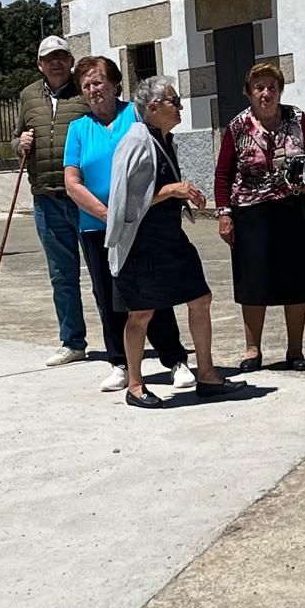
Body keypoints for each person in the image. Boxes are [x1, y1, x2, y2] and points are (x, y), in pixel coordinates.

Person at [63, 56, 196, 392]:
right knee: (109, 295)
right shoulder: (79, 128)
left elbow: (161, 153)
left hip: (144, 224)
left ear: (115, 84)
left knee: (155, 290)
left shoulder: (135, 115)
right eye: (87, 85)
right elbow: (72, 182)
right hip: (97, 226)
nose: (94, 90)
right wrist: (109, 216)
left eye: (99, 82)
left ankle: (175, 359)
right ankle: (119, 362)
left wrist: (126, 215)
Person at [108, 76, 237, 408]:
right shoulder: (135, 141)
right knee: (141, 313)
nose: (180, 106)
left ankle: (206, 374)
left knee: (200, 298)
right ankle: (135, 385)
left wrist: (181, 191)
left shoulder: (164, 139)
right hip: (141, 243)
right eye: (173, 101)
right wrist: (173, 190)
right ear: (153, 108)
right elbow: (126, 200)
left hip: (170, 239)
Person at [213, 62, 305, 372]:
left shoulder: (297, 119)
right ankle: (253, 349)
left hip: (295, 209)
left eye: (272, 87)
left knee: (297, 280)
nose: (266, 93)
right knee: (253, 282)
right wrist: (224, 214)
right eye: (259, 87)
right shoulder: (238, 126)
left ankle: (295, 351)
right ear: (249, 92)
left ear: (280, 91)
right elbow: (223, 173)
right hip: (250, 212)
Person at [14, 35, 90, 368]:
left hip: (86, 197)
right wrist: (20, 143)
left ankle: (119, 340)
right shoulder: (28, 95)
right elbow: (15, 138)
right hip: (46, 199)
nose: (56, 62)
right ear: (39, 64)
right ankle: (73, 342)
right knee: (62, 275)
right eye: (49, 58)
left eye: (61, 56)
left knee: (104, 271)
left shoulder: (85, 91)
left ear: (70, 61)